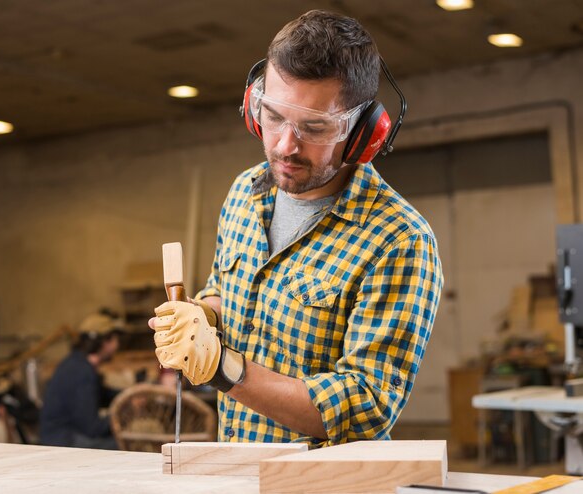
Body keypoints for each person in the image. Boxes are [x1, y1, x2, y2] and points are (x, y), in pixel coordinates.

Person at [149, 10, 443, 447]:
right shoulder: (245, 193)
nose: (286, 145)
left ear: (364, 133)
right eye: (273, 117)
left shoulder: (399, 240)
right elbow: (226, 290)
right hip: (238, 467)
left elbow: (366, 408)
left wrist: (223, 368)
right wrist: (204, 316)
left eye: (314, 128)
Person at [39, 314, 121, 449]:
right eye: (115, 339)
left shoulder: (76, 362)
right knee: (124, 446)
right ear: (104, 342)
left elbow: (102, 394)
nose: (117, 345)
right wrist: (124, 414)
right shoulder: (82, 373)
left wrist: (129, 395)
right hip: (63, 441)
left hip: (62, 435)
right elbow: (93, 428)